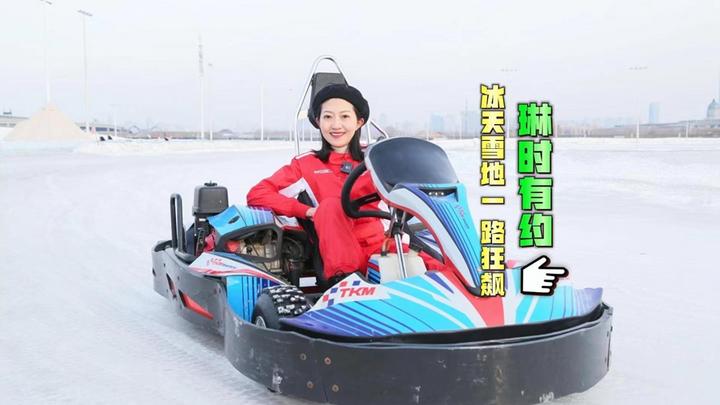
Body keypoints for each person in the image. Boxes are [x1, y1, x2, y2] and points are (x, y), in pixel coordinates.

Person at [246, 84, 383, 285]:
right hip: (338, 257)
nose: (336, 125)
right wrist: (308, 211)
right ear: (318, 122)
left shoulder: (377, 159)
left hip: (382, 248)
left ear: (359, 121)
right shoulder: (306, 164)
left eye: (345, 116)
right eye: (328, 117)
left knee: (429, 263)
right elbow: (258, 194)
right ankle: (346, 284)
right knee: (332, 206)